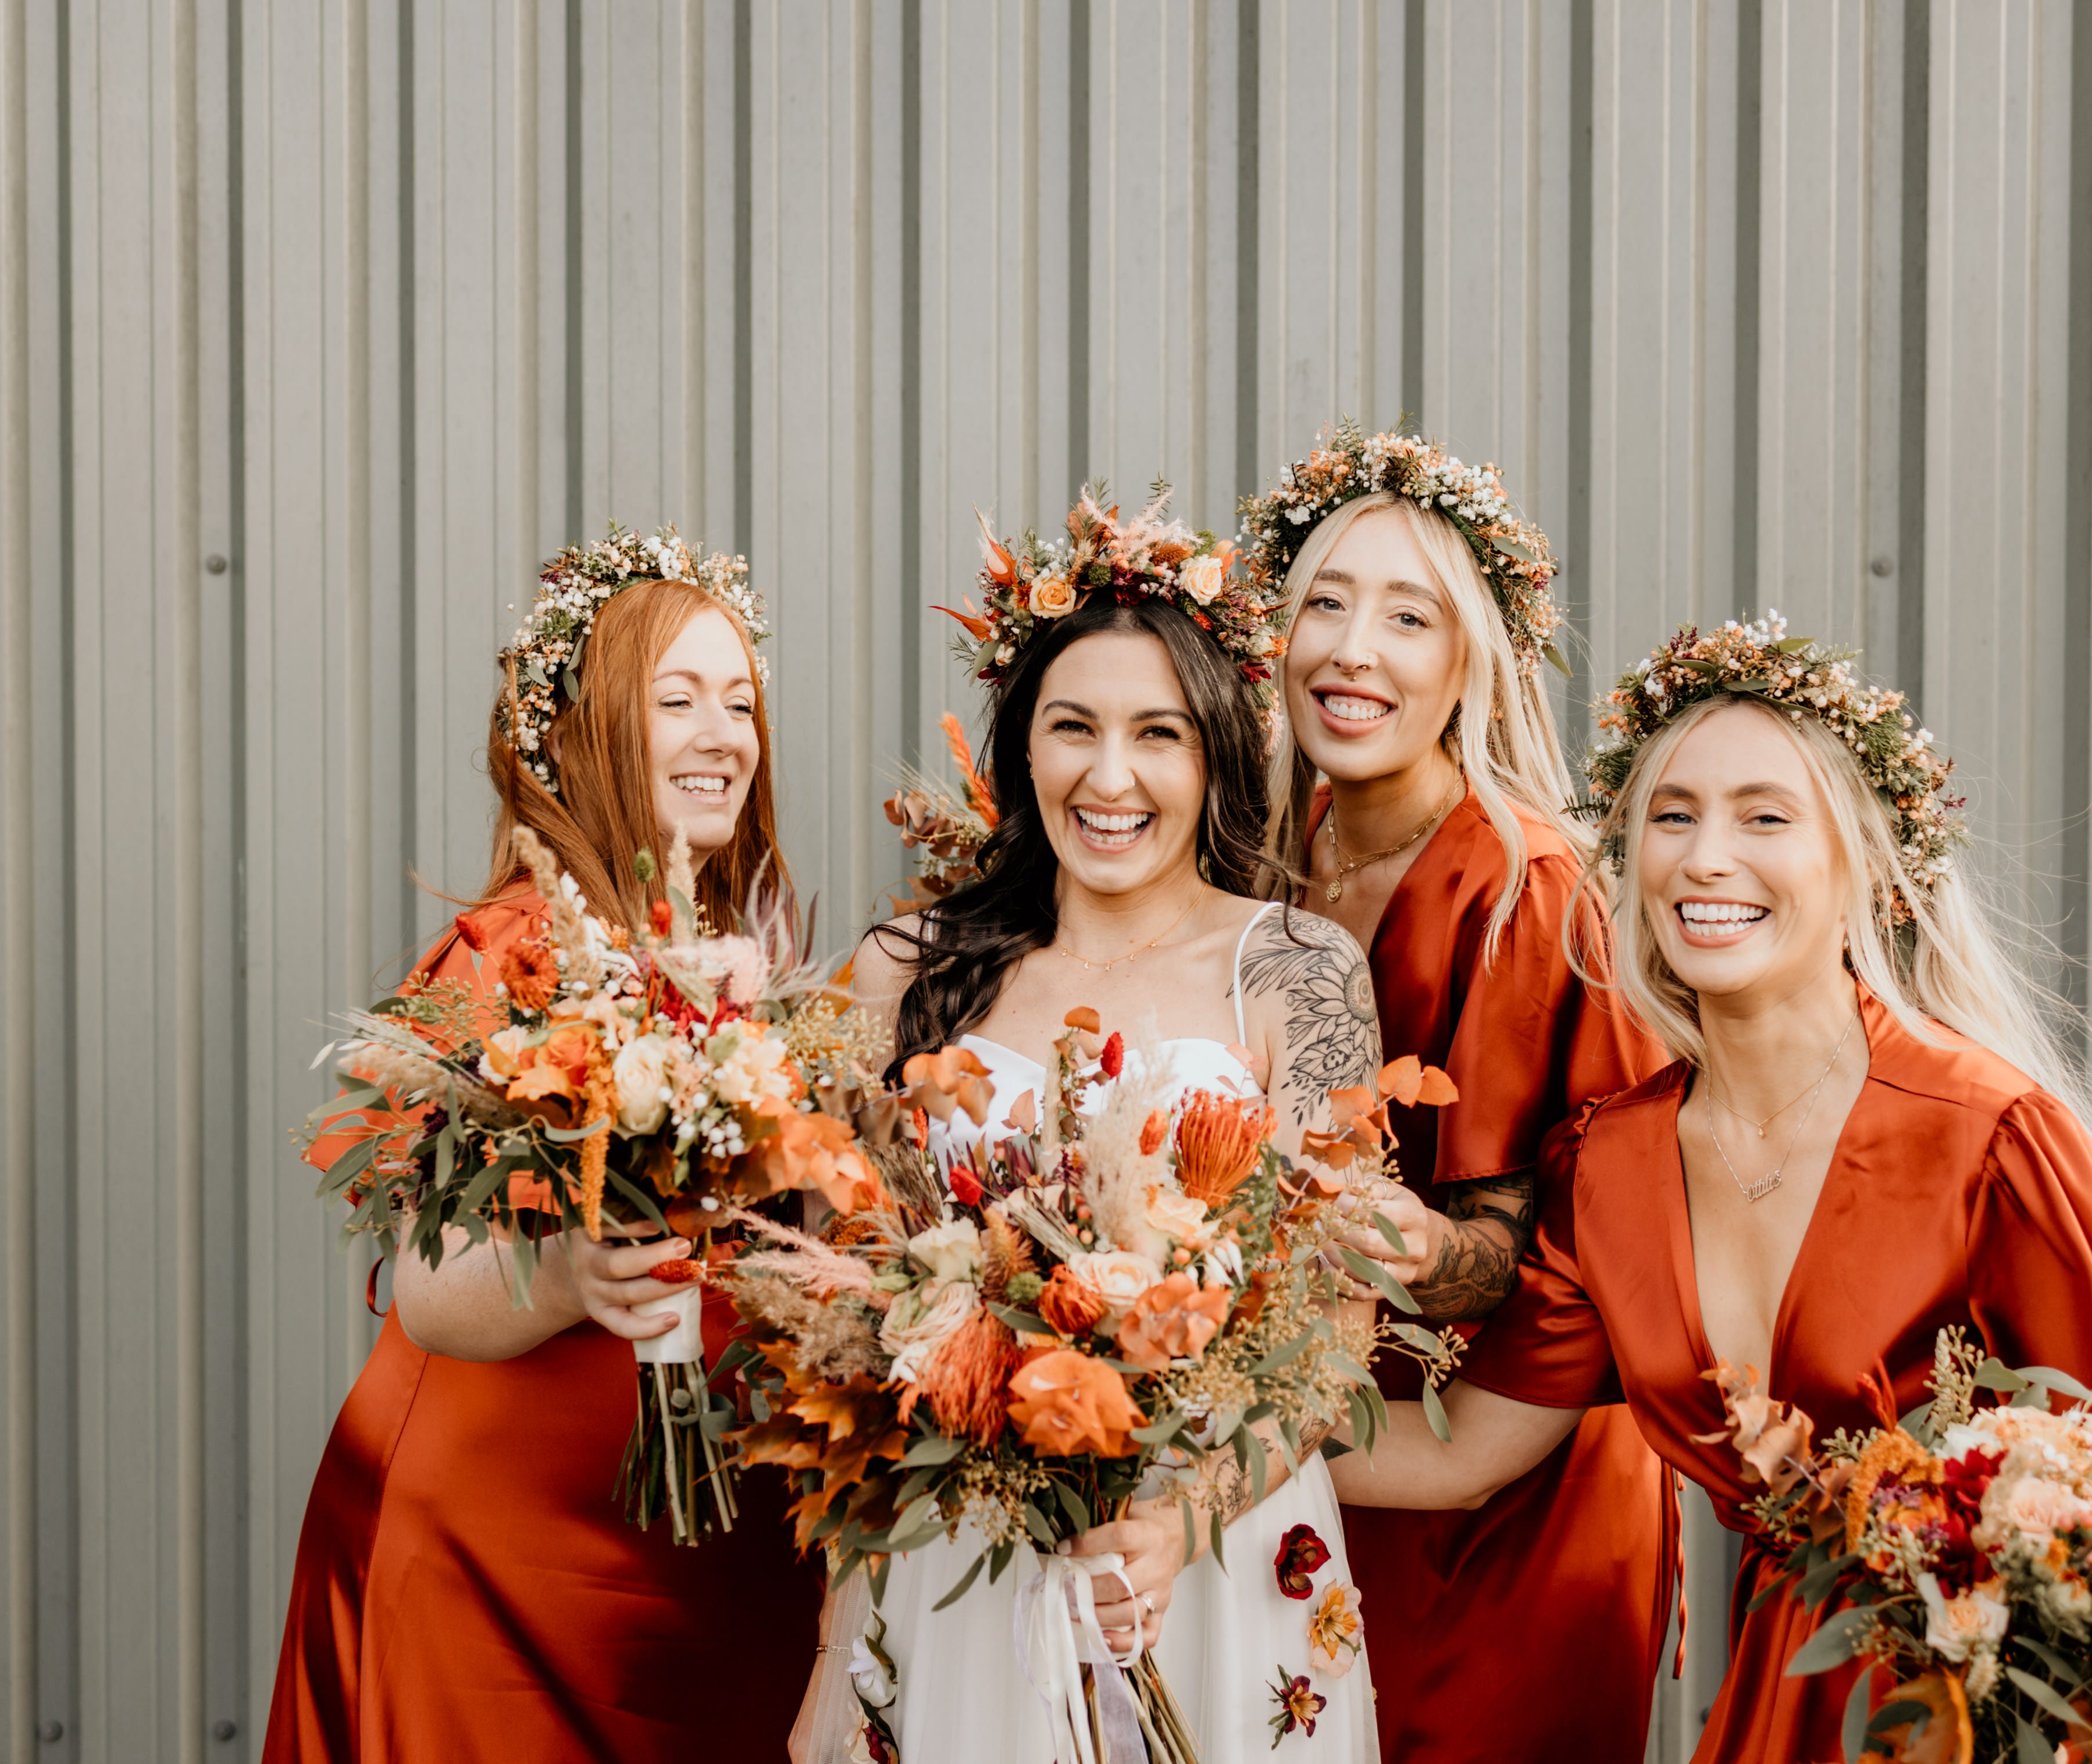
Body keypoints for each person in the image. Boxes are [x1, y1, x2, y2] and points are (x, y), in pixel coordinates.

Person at [1326, 615, 2092, 1762]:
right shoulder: (1609, 1164)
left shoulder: (1992, 1139)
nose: (1705, 857)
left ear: (1864, 864)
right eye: (1671, 816)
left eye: (1765, 816)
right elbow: (1463, 1449)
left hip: (1993, 1720)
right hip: (1777, 1700)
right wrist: (1177, 1434)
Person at [795, 493, 1384, 1763]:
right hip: (968, 1576)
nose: (1109, 777)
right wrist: (841, 1655)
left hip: (1222, 1566)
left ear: (1217, 753)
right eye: (1072, 727)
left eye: (1156, 734)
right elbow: (853, 1350)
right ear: (1024, 752)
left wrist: (1180, 1522)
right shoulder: (907, 971)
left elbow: (1339, 1332)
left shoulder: (1298, 970)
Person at [264, 530, 823, 1763]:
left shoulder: (748, 950)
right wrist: (572, 1273)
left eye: (741, 702)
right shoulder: (507, 953)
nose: (723, 732)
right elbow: (425, 1280)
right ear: (581, 730)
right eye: (674, 699)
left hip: (685, 1560)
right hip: (505, 1560)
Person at [1242, 429, 1678, 1763]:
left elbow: (1562, 1243)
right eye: (1325, 601)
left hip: (1509, 1481)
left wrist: (1419, 1247)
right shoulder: (1275, 863)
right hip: (1324, 1452)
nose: (1351, 649)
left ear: (1467, 665)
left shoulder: (1526, 890)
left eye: (1405, 614)